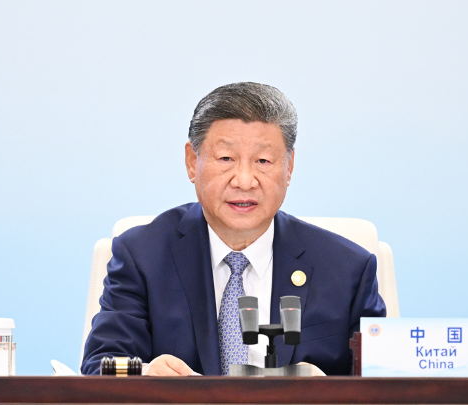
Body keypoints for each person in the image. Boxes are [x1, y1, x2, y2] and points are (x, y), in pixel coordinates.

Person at [81, 82, 386, 376]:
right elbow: (101, 364)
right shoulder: (143, 256)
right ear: (192, 161)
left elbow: (383, 385)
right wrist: (146, 372)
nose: (244, 180)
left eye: (263, 160)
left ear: (289, 166)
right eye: (226, 158)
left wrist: (329, 393)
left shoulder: (348, 269)